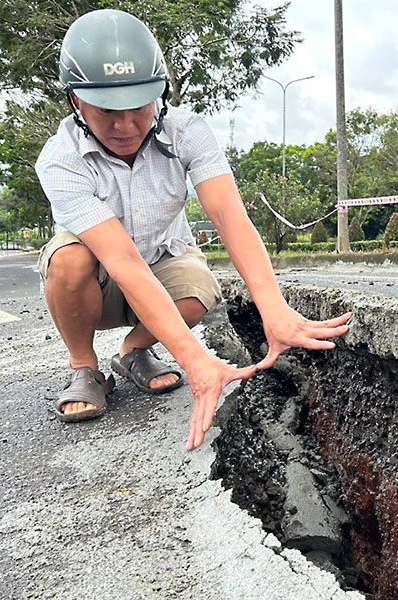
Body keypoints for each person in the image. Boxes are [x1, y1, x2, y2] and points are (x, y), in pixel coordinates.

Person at [36, 9, 351, 450]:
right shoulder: (60, 160)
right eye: (107, 111)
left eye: (139, 108)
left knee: (199, 289)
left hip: (163, 255)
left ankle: (133, 352)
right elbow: (123, 260)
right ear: (75, 100)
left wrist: (273, 309)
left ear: (160, 94)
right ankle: (84, 367)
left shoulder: (187, 131)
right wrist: (195, 359)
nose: (125, 126)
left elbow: (230, 218)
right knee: (70, 258)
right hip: (100, 279)